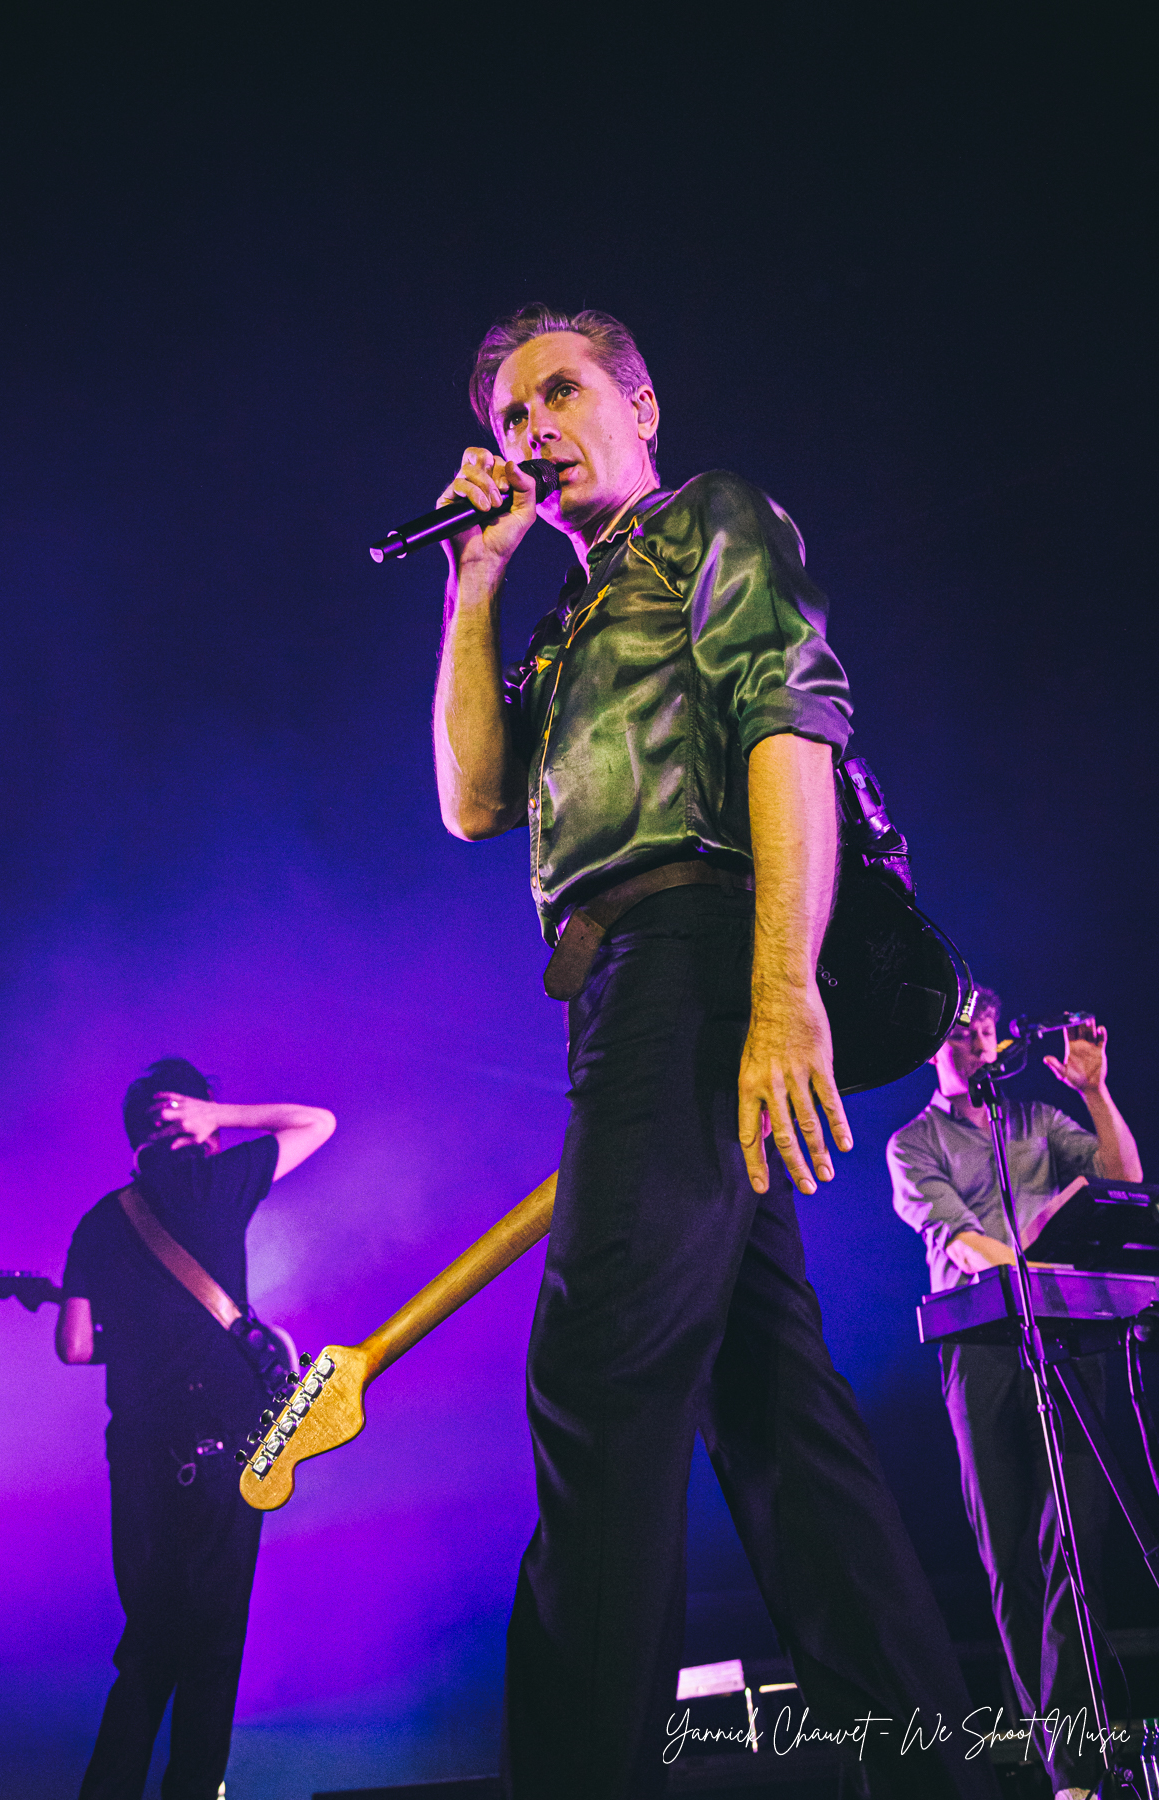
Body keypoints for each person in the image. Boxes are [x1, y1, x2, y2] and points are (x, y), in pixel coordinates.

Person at [432, 302, 999, 1799]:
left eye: (559, 394)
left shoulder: (710, 521)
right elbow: (474, 801)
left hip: (695, 957)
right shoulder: (560, 617)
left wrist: (781, 991)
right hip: (623, 988)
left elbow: (786, 729)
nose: (531, 431)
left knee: (599, 1380)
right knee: (778, 1421)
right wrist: (476, 582)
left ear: (641, 405)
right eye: (509, 418)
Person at [56, 1057, 335, 1800]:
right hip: (223, 1458)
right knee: (212, 1651)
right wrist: (225, 1115)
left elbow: (74, 1346)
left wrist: (145, 1333)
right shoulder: (216, 1184)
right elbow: (318, 1123)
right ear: (196, 1120)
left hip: (138, 1467)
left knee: (149, 1645)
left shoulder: (98, 1222)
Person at [889, 990, 1142, 1800]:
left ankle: (1078, 1763)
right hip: (981, 1343)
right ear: (937, 1046)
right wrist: (1038, 1259)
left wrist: (1094, 1091)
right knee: (1009, 1556)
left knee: (1075, 1537)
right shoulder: (913, 1141)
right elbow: (962, 1243)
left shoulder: (1035, 1121)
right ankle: (1058, 1753)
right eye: (961, 1032)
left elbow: (1124, 1180)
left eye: (986, 1030)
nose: (977, 1042)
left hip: (1060, 1335)